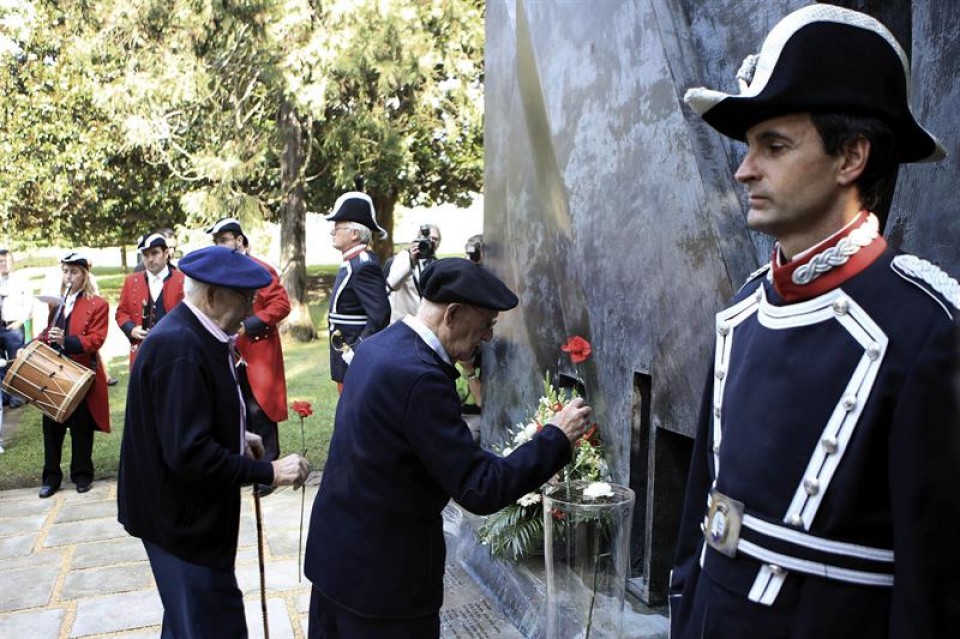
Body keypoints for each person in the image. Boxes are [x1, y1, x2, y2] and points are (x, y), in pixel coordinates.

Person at [670, 6, 960, 639]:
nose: (744, 169)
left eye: (773, 146)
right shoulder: (742, 314)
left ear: (851, 156)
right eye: (748, 148)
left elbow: (932, 594)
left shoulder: (925, 332)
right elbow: (698, 532)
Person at [304, 257, 593, 638]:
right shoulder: (420, 378)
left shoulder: (379, 346)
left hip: (337, 564)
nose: (489, 336)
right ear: (453, 314)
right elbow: (479, 487)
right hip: (383, 590)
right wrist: (556, 436)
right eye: (487, 323)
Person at [117, 245, 310, 639]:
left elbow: (191, 418)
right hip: (180, 526)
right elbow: (190, 454)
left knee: (189, 622)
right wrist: (269, 471)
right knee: (211, 625)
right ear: (211, 295)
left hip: (184, 520)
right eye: (245, 297)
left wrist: (237, 433)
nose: (251, 307)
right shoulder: (180, 348)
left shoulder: (202, 333)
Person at [207, 217, 291, 496]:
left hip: (258, 352)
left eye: (224, 239)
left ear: (240, 241)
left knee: (261, 411)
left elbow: (281, 304)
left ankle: (268, 471)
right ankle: (244, 467)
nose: (220, 245)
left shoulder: (262, 269)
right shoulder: (220, 273)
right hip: (230, 353)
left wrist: (250, 324)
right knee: (235, 408)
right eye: (216, 240)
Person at [36, 252, 111, 498]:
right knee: (51, 426)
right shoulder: (56, 303)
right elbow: (48, 331)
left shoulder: (98, 304)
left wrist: (67, 341)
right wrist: (37, 341)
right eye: (66, 271)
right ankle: (51, 478)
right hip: (54, 373)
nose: (69, 277)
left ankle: (82, 475)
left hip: (80, 373)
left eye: (74, 272)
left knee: (81, 426)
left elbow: (96, 339)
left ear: (85, 275)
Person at [325, 191, 390, 391]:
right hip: (344, 349)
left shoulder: (363, 265)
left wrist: (358, 348)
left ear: (354, 234)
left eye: (338, 227)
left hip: (352, 352)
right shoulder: (352, 262)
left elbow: (380, 314)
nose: (332, 232)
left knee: (357, 411)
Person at [115, 232, 186, 367]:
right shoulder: (131, 281)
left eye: (155, 253)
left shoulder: (182, 280)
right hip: (142, 352)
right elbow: (121, 313)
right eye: (146, 255)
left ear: (166, 253)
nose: (150, 259)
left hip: (176, 353)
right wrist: (131, 329)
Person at [383, 224, 441, 323]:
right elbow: (391, 285)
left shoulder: (437, 264)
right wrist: (411, 262)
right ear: (418, 240)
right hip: (402, 324)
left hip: (424, 325)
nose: (431, 242)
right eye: (427, 238)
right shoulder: (404, 257)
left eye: (435, 239)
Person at [0, 248, 31, 408]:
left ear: (12, 262)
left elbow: (29, 303)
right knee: (0, 364)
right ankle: (4, 396)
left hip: (14, 327)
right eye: (0, 261)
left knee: (15, 362)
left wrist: (20, 321)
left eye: (6, 261)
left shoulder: (20, 281)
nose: (3, 264)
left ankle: (17, 396)